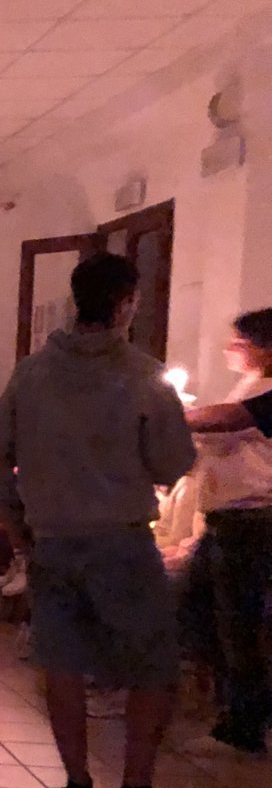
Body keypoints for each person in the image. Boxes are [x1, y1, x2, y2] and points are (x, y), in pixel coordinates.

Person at [0, 252, 202, 788]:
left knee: (62, 663)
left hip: (51, 539)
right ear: (126, 303)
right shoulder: (143, 374)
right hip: (121, 540)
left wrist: (18, 528)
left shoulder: (32, 373)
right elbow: (173, 461)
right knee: (153, 664)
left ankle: (77, 782)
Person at [171, 309, 272, 754]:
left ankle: (244, 725)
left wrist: (174, 412)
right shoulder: (249, 383)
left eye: (241, 343)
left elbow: (230, 419)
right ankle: (238, 708)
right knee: (195, 607)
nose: (230, 349)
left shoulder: (264, 392)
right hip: (225, 518)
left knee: (238, 623)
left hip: (252, 519)